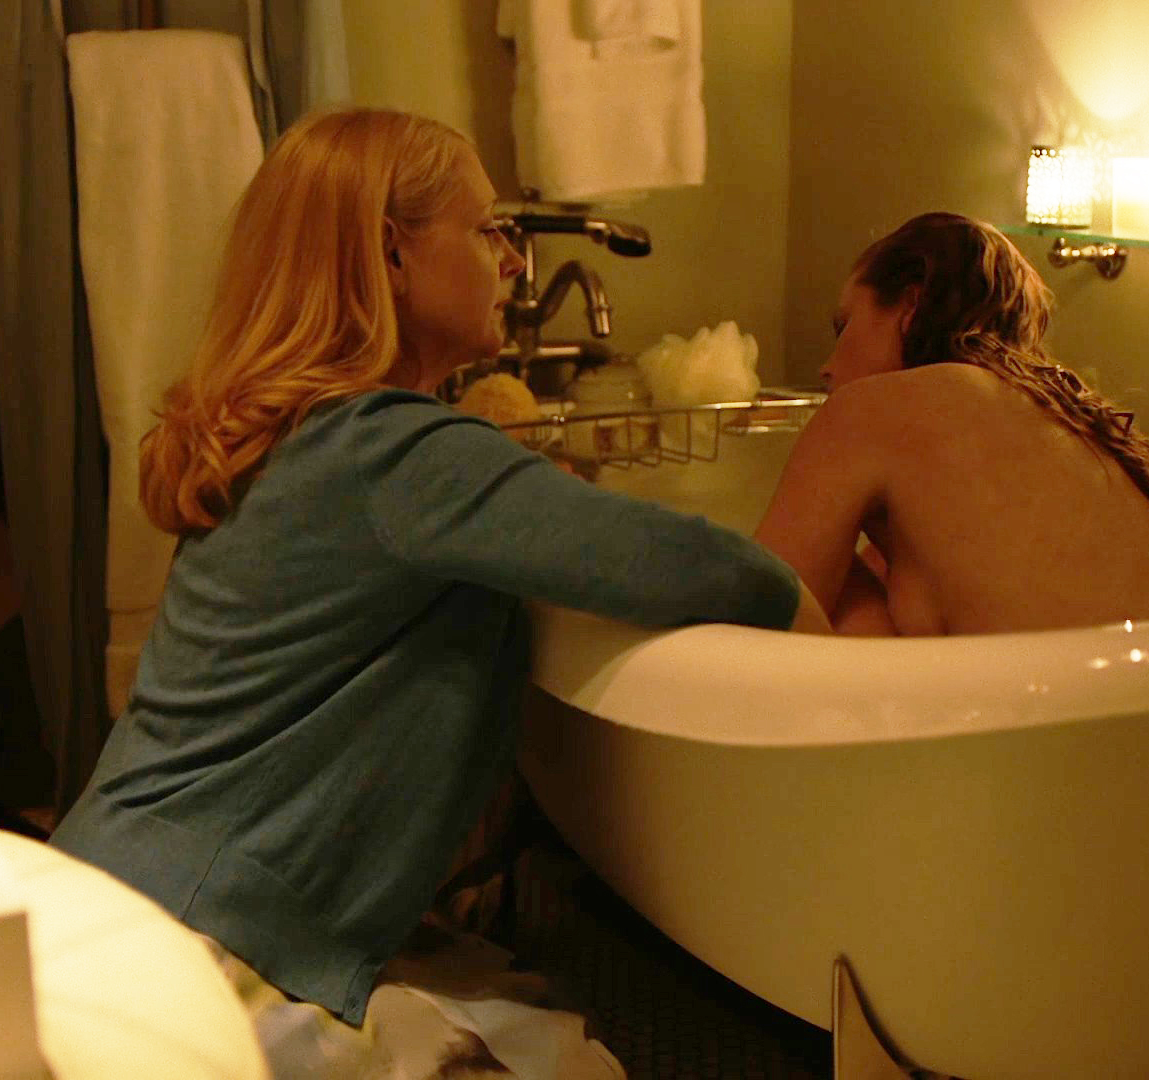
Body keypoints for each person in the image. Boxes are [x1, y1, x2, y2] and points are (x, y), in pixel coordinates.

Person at [50, 106, 829, 1076]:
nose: (512, 260)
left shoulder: (310, 439)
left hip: (114, 898)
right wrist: (831, 635)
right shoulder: (396, 454)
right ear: (392, 254)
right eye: (485, 229)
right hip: (195, 946)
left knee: (531, 1025)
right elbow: (694, 566)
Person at [756, 212, 1149, 636]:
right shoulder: (1082, 425)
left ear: (910, 307)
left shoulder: (869, 407)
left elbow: (758, 623)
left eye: (844, 326)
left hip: (1064, 704)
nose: (826, 366)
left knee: (799, 588)